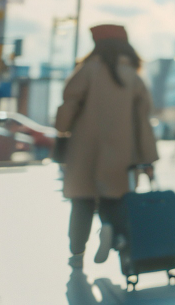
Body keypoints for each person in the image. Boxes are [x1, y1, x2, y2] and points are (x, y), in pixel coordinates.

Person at [55, 24, 158, 269]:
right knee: (114, 200)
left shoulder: (87, 71)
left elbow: (67, 109)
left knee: (82, 202)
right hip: (122, 155)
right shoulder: (133, 77)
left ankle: (77, 254)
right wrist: (148, 159)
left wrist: (62, 128)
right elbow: (143, 122)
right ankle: (112, 231)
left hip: (85, 152)